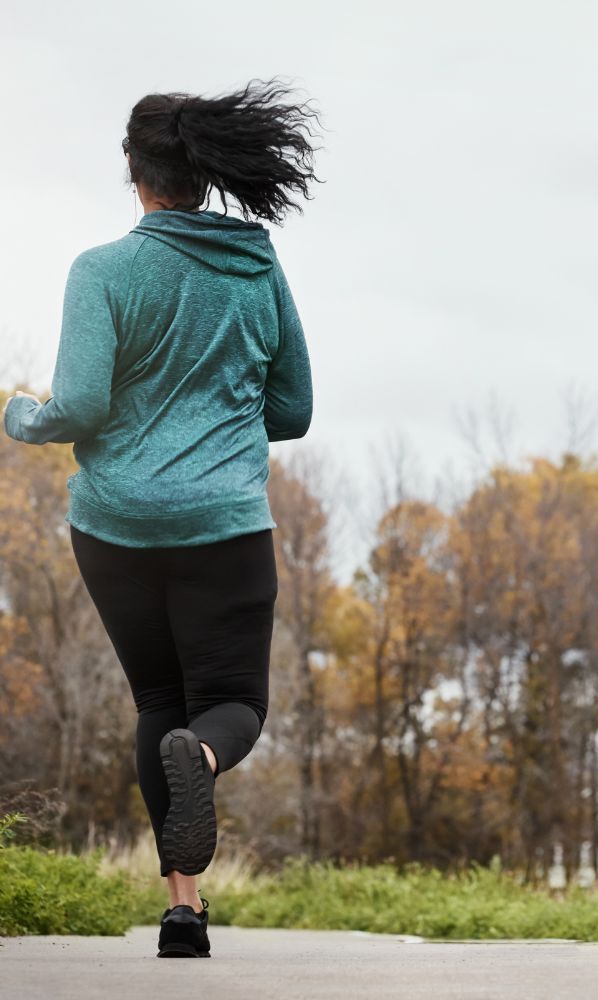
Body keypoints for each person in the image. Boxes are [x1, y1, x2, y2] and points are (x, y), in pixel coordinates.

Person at [2, 77, 323, 958]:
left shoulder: (101, 271)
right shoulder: (255, 264)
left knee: (159, 704)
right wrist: (214, 419)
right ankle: (206, 764)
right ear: (208, 173)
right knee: (230, 707)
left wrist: (20, 414)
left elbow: (79, 406)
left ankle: (183, 912)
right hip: (223, 521)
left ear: (136, 175)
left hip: (114, 527)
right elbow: (292, 410)